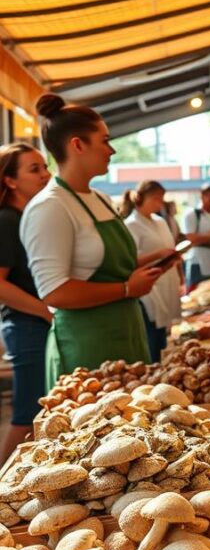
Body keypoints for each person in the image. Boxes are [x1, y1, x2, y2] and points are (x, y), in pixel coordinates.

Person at [22, 94, 177, 386]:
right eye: (105, 140)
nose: (112, 149)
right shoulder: (51, 207)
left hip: (127, 330)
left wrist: (155, 261)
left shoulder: (101, 199)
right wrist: (127, 288)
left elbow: (112, 264)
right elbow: (55, 292)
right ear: (78, 145)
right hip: (87, 344)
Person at [0, 143, 52, 459]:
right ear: (10, 180)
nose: (45, 175)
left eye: (45, 167)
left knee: (40, 414)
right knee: (27, 417)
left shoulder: (28, 217)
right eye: (35, 169)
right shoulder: (7, 220)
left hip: (36, 322)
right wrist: (48, 312)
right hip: (26, 325)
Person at [122, 180, 182, 361]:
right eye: (156, 198)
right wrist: (158, 254)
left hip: (167, 279)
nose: (159, 203)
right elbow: (129, 260)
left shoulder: (160, 221)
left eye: (161, 199)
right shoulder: (131, 224)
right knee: (153, 336)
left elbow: (169, 246)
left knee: (165, 335)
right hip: (150, 286)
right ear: (141, 198)